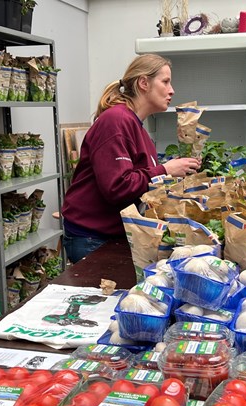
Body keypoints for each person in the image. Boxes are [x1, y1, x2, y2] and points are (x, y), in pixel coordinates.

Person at [60, 54, 200, 263]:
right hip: (92, 237)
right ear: (144, 83)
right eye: (165, 81)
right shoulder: (116, 121)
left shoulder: (136, 127)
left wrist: (174, 170)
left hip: (113, 234)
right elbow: (117, 187)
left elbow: (140, 177)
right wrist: (165, 170)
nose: (172, 90)